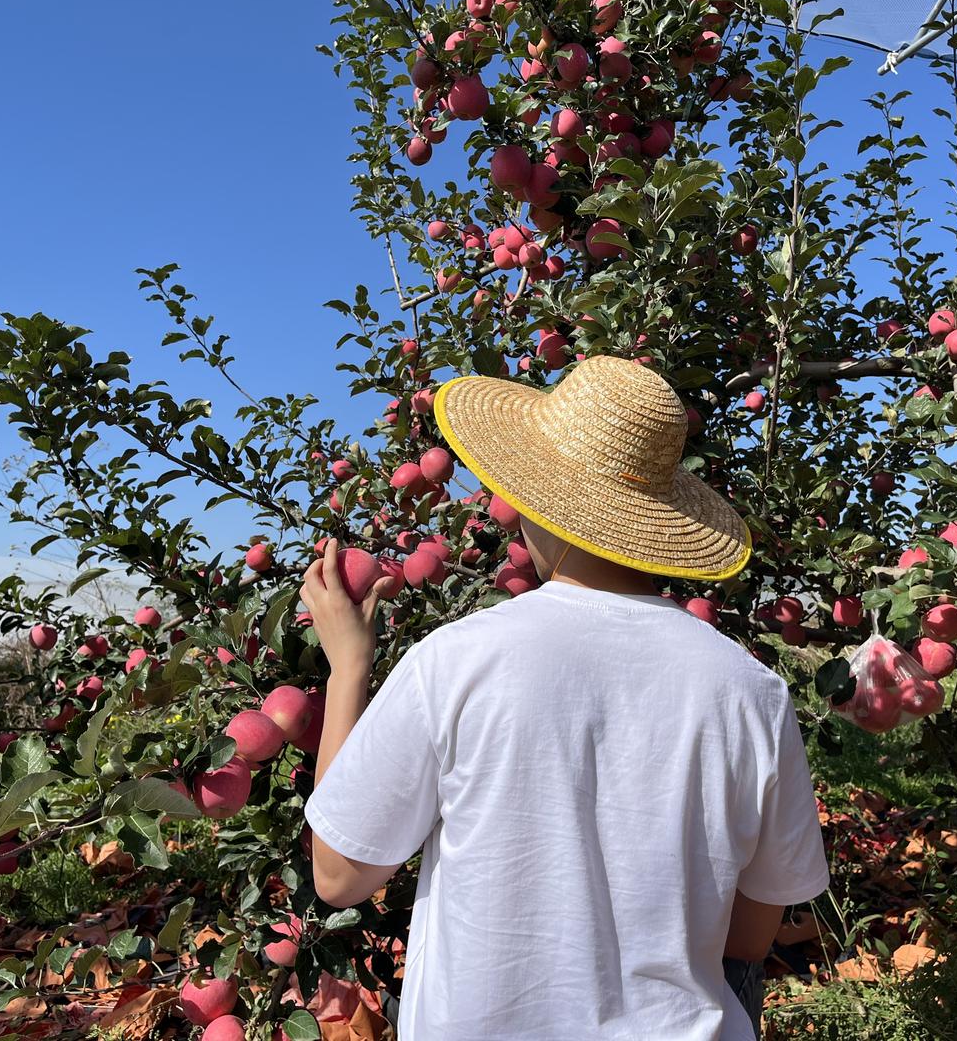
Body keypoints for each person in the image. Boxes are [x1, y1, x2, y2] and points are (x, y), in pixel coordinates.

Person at [302, 354, 830, 1040]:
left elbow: (339, 875)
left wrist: (349, 669)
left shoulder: (459, 661)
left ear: (536, 498)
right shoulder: (751, 691)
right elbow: (750, 939)